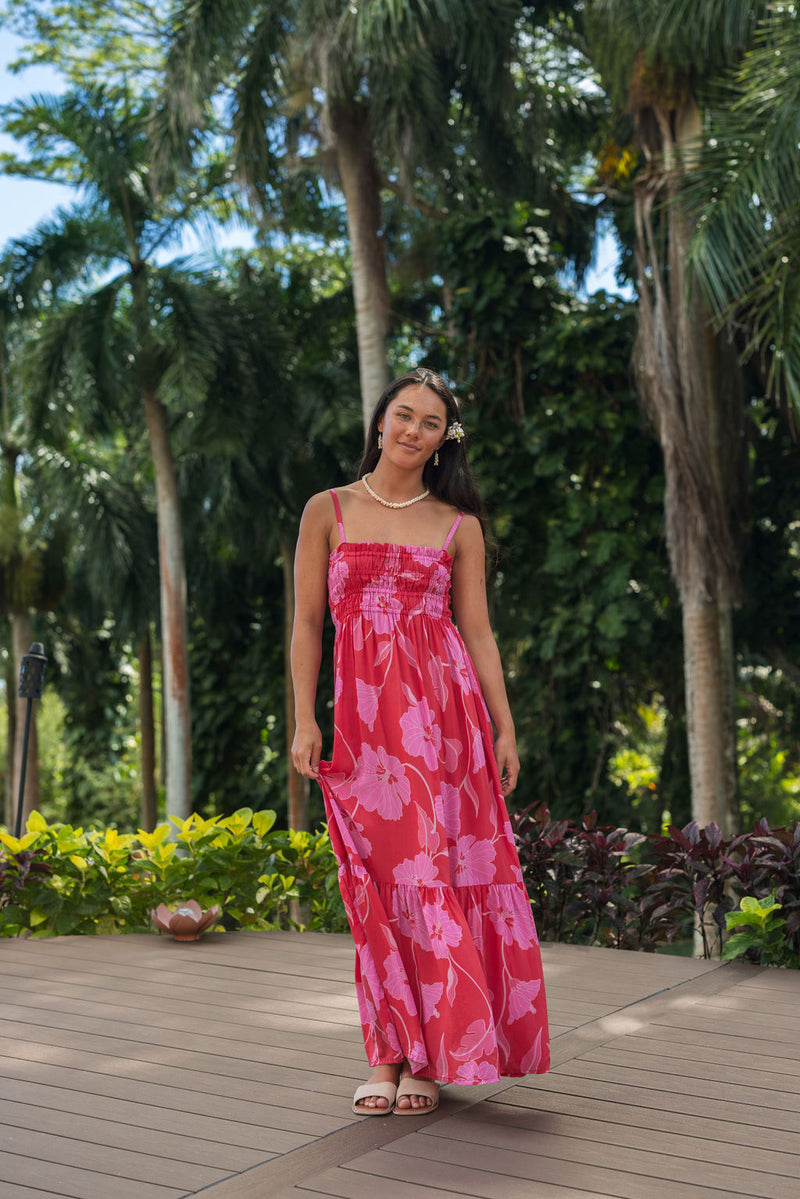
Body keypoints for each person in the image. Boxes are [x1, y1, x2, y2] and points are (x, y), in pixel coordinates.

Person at [291, 367, 549, 1117]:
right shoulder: (327, 510)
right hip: (366, 731)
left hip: (445, 729)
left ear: (444, 439)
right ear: (379, 421)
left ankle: (427, 1058)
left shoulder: (457, 524)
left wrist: (504, 725)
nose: (412, 430)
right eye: (403, 415)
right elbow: (309, 624)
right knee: (376, 882)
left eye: (430, 423)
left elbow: (478, 633)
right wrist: (306, 718)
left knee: (434, 876)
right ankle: (386, 1050)